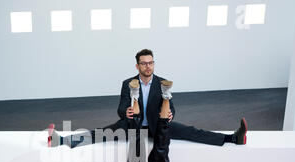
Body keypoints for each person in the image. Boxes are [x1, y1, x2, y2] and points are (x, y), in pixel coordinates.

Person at [47, 48, 247, 148]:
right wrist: (126, 111)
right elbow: (121, 107)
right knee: (101, 133)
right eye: (143, 63)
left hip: (155, 125)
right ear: (137, 66)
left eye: (151, 63)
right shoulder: (128, 83)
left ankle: (232, 138)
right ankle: (62, 141)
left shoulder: (162, 83)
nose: (148, 66)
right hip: (132, 126)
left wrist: (169, 116)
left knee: (191, 132)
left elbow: (172, 108)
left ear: (154, 64)